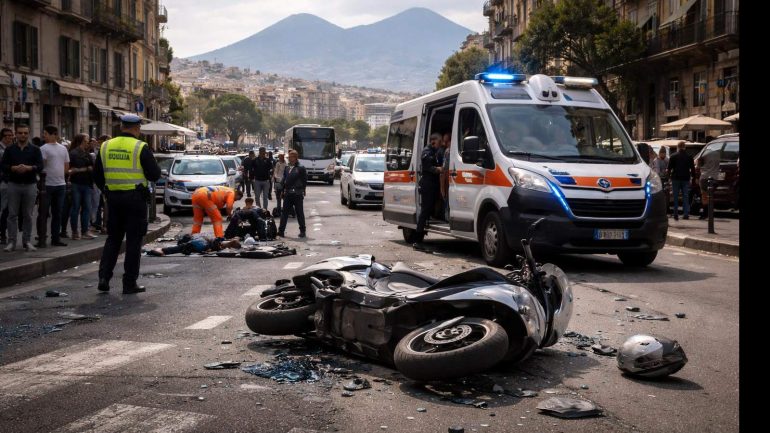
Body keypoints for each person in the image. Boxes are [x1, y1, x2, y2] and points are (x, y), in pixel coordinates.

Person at [93, 114, 161, 294]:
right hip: (135, 199)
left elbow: (97, 175)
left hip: (113, 199)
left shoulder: (105, 146)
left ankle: (103, 278)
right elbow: (154, 174)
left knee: (113, 239)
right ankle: (129, 283)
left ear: (122, 126)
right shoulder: (140, 147)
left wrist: (109, 189)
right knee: (133, 242)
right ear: (137, 128)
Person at [2, 124, 43, 252]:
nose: (23, 135)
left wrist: (30, 168)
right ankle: (11, 242)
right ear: (16, 134)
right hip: (13, 184)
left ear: (28, 133)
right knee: (12, 215)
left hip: (30, 185)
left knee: (28, 215)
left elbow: (40, 166)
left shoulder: (35, 149)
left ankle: (27, 241)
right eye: (20, 133)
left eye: (25, 133)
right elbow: (3, 166)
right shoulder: (10, 150)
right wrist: (13, 168)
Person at [39, 125, 70, 247]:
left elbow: (67, 165)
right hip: (47, 185)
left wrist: (61, 175)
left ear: (54, 135)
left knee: (58, 213)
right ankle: (41, 237)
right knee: (43, 212)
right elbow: (42, 165)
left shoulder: (63, 148)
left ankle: (55, 238)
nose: (44, 135)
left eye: (46, 133)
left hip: (60, 184)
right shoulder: (43, 148)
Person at [414, 133, 443, 247]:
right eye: (439, 142)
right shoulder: (427, 152)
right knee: (425, 211)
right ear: (433, 141)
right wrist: (438, 169)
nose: (440, 144)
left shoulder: (435, 151)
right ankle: (417, 240)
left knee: (430, 209)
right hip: (427, 185)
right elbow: (428, 168)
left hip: (433, 185)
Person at [68, 133, 97, 239]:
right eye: (86, 141)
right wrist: (83, 169)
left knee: (87, 208)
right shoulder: (73, 153)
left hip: (87, 183)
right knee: (75, 208)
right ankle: (75, 231)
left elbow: (92, 167)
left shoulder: (87, 153)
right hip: (77, 183)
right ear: (81, 141)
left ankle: (85, 231)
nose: (88, 143)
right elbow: (70, 170)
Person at [277, 149, 307, 238]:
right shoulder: (287, 168)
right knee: (284, 213)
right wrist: (282, 190)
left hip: (297, 194)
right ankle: (281, 231)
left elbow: (304, 180)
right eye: (289, 157)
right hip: (288, 194)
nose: (289, 159)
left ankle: (303, 231)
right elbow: (284, 180)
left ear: (296, 157)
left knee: (299, 213)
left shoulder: (301, 168)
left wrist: (303, 190)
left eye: (291, 157)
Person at [667, 141, 695, 221]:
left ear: (678, 147)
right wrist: (693, 177)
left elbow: (669, 169)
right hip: (686, 178)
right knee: (685, 196)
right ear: (684, 147)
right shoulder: (689, 156)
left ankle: (676, 213)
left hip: (675, 178)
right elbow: (692, 169)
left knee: (675, 196)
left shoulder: (673, 156)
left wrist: (668, 177)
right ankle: (685, 214)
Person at [148, 235, 241, 256]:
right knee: (179, 248)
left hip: (201, 243)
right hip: (201, 243)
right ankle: (160, 250)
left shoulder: (223, 242)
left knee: (180, 247)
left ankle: (161, 250)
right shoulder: (221, 244)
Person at [697, 145, 721, 220]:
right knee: (711, 196)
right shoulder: (717, 153)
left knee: (704, 195)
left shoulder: (704, 153)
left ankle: (705, 213)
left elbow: (698, 165)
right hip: (715, 177)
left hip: (704, 177)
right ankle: (710, 213)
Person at [0, 127, 14, 244]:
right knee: (4, 209)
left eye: (10, 136)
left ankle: (5, 233)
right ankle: (2, 234)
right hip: (3, 182)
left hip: (11, 182)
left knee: (8, 209)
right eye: (6, 136)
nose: (9, 138)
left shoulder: (13, 148)